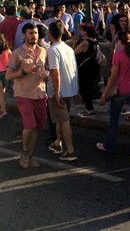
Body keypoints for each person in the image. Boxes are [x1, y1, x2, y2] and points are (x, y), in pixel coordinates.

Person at [6, 23, 49, 169]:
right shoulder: (17, 53)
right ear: (24, 35)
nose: (34, 36)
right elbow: (8, 76)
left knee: (38, 126)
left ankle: (30, 155)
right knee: (29, 125)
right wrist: (24, 71)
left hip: (40, 93)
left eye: (36, 33)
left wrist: (46, 75)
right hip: (24, 94)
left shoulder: (43, 51)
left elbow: (45, 70)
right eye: (30, 33)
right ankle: (24, 152)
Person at [97, 30, 130, 157]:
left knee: (114, 118)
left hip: (122, 90)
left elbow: (113, 78)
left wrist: (104, 95)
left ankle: (110, 145)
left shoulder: (118, 56)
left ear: (119, 41)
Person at [46, 22, 79, 162]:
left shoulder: (52, 50)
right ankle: (58, 143)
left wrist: (57, 93)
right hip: (70, 89)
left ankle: (70, 150)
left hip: (58, 91)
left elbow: (55, 73)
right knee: (60, 119)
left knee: (64, 120)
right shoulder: (69, 49)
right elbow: (75, 69)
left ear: (50, 34)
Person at [74, 23, 100, 117]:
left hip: (84, 68)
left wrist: (74, 42)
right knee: (88, 88)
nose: (80, 32)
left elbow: (74, 52)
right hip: (92, 67)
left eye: (82, 30)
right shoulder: (95, 41)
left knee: (84, 89)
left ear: (86, 32)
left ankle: (89, 109)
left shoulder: (85, 43)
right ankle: (88, 108)